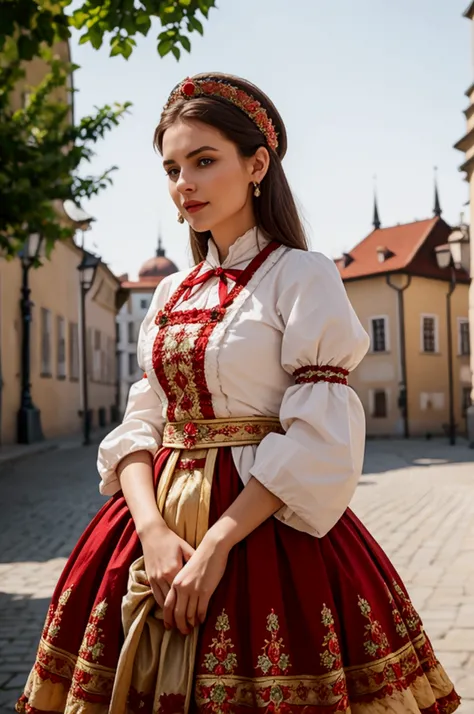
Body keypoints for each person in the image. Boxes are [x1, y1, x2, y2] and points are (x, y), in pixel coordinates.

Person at [17, 73, 460, 714]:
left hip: (262, 522)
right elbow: (143, 420)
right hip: (154, 523)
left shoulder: (300, 276)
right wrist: (152, 533)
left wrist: (217, 546)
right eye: (171, 168)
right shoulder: (171, 293)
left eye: (203, 161)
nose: (184, 184)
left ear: (257, 165)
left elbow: (318, 435)